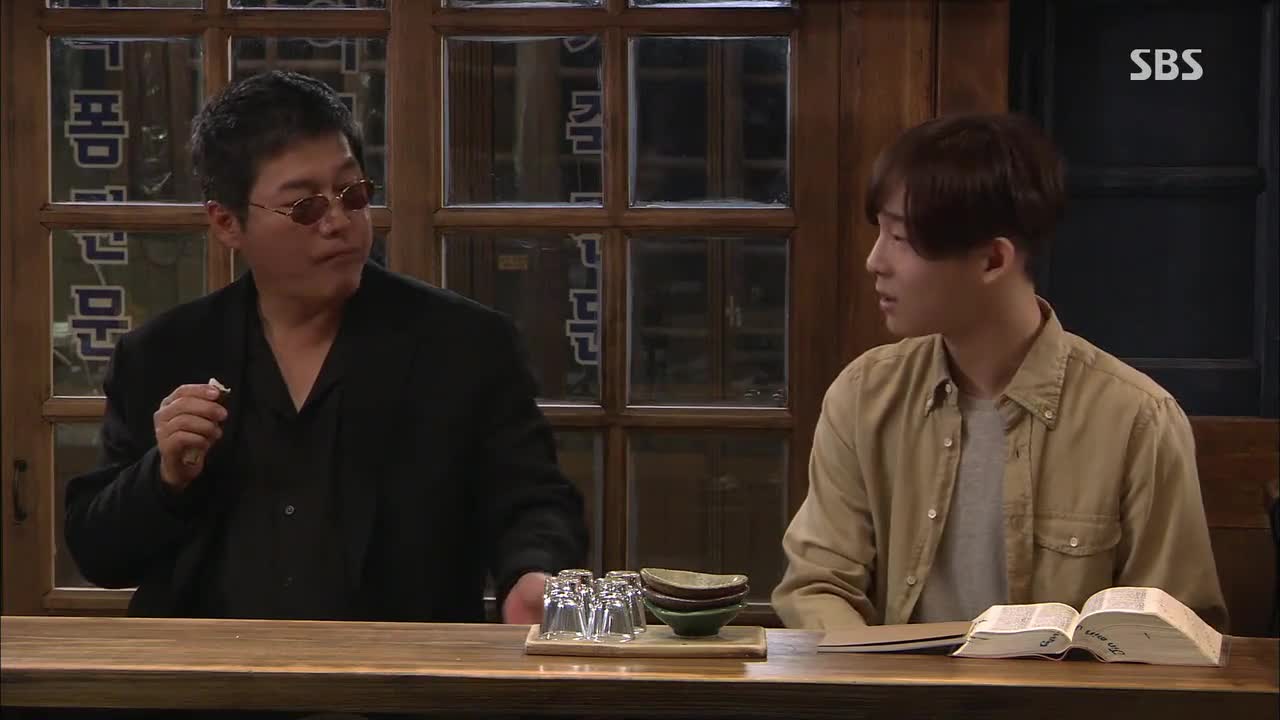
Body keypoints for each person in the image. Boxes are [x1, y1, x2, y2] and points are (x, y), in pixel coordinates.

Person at [64, 70, 587, 625]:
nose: (338, 222)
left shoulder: (465, 345)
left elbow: (533, 502)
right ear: (227, 222)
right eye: (305, 207)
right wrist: (164, 477)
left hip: (403, 670)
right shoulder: (163, 353)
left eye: (352, 194)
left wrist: (532, 575)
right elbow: (99, 554)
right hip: (208, 672)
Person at [771, 112, 1227, 631]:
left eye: (900, 237)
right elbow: (818, 584)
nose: (875, 261)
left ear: (992, 260)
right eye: (879, 232)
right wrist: (880, 673)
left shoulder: (1137, 420)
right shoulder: (864, 395)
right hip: (889, 681)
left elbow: (1174, 632)